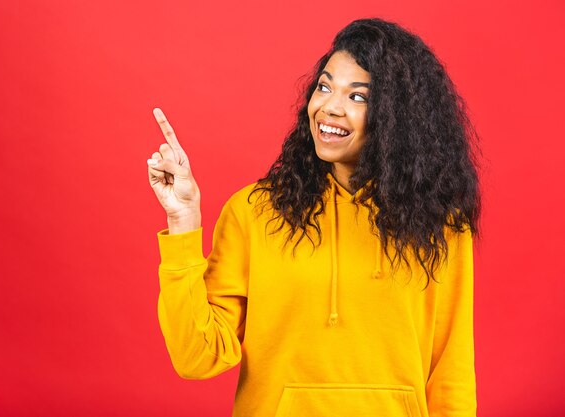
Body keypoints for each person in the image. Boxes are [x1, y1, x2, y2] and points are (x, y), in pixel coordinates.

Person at [147, 17, 481, 417]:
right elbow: (196, 356)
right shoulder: (255, 211)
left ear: (398, 119)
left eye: (359, 97)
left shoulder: (439, 224)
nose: (330, 108)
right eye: (324, 87)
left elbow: (451, 371)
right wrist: (183, 222)